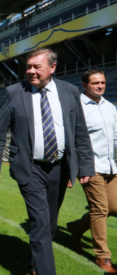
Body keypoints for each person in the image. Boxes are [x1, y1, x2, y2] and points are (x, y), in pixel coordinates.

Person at [0, 47, 94, 275]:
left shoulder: (70, 91)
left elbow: (80, 132)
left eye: (37, 67)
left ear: (52, 67)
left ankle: (34, 266)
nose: (31, 71)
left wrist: (85, 165)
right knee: (40, 223)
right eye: (28, 67)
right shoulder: (15, 92)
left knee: (50, 224)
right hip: (29, 168)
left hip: (59, 169)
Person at [66, 69, 117, 273]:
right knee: (100, 209)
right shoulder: (77, 107)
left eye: (103, 82)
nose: (100, 86)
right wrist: (75, 169)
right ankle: (103, 256)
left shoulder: (110, 107)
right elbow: (73, 140)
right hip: (90, 167)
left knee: (113, 208)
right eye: (95, 83)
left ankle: (77, 228)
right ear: (85, 85)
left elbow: (115, 136)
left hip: (110, 166)